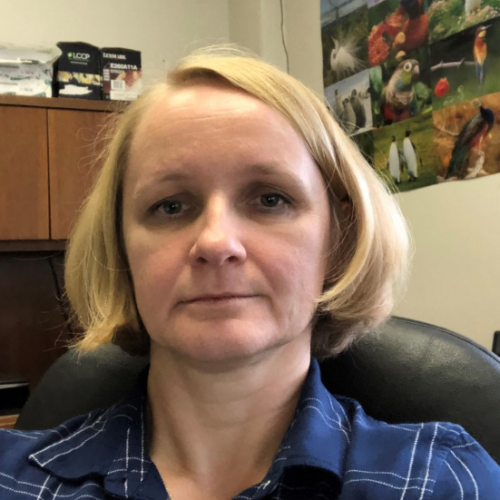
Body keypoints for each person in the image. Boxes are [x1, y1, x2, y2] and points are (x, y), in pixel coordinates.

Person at [1, 47, 499, 499]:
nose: (216, 242)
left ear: (340, 238)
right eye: (170, 206)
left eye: (270, 199)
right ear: (121, 248)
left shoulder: (439, 482)